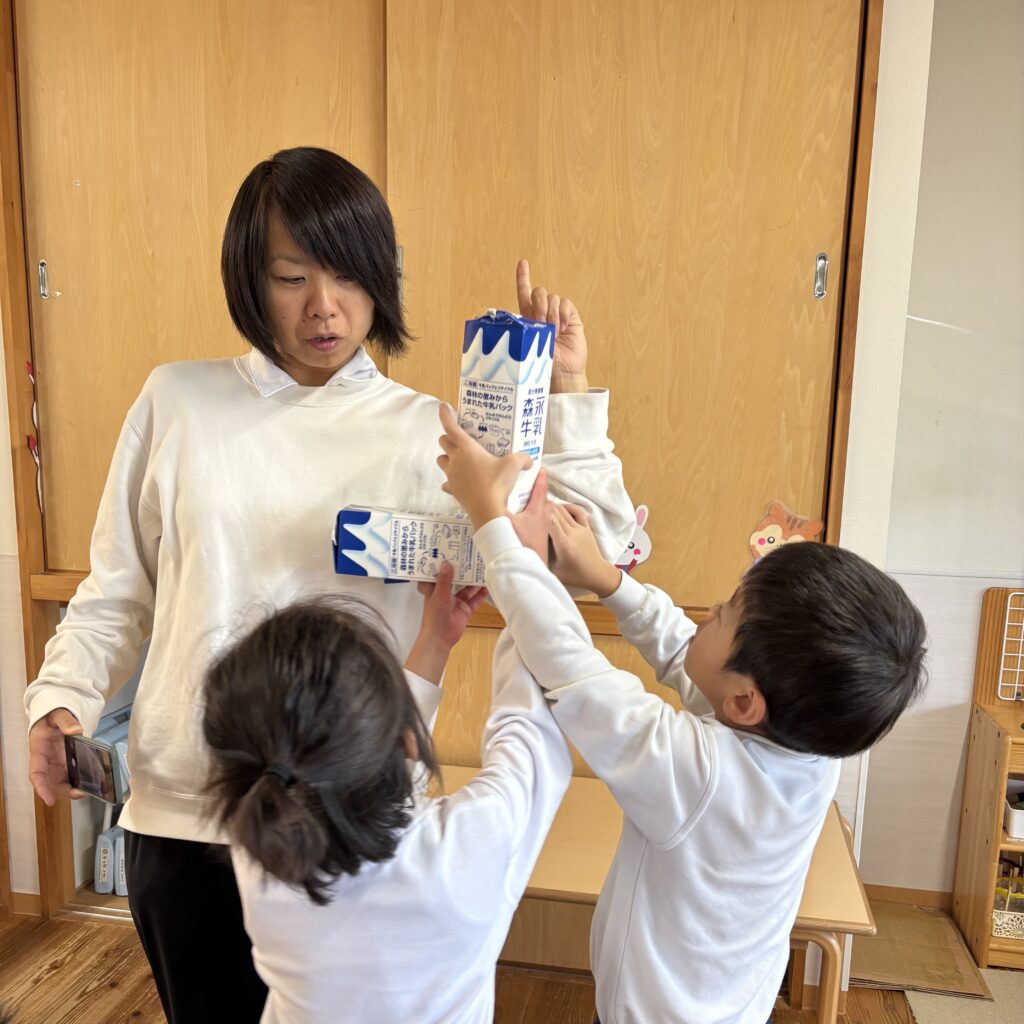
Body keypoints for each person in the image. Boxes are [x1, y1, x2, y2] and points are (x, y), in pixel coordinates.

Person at [24, 146, 633, 1024]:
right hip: (189, 815)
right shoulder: (176, 402)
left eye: (348, 275)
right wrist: (61, 698)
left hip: (356, 824)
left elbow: (593, 554)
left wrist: (565, 390)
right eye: (290, 277)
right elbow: (119, 591)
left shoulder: (432, 434)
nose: (325, 306)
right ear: (248, 279)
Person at [436, 406, 928, 1024]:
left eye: (723, 613)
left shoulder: (702, 776)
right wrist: (608, 580)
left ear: (745, 702)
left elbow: (572, 668)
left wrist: (494, 526)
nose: (707, 613)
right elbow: (687, 655)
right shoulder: (807, 746)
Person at [202, 558, 571, 1024]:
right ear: (405, 739)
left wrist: (435, 641)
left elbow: (356, 769)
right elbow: (529, 731)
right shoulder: (470, 840)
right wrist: (527, 577)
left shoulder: (260, 843)